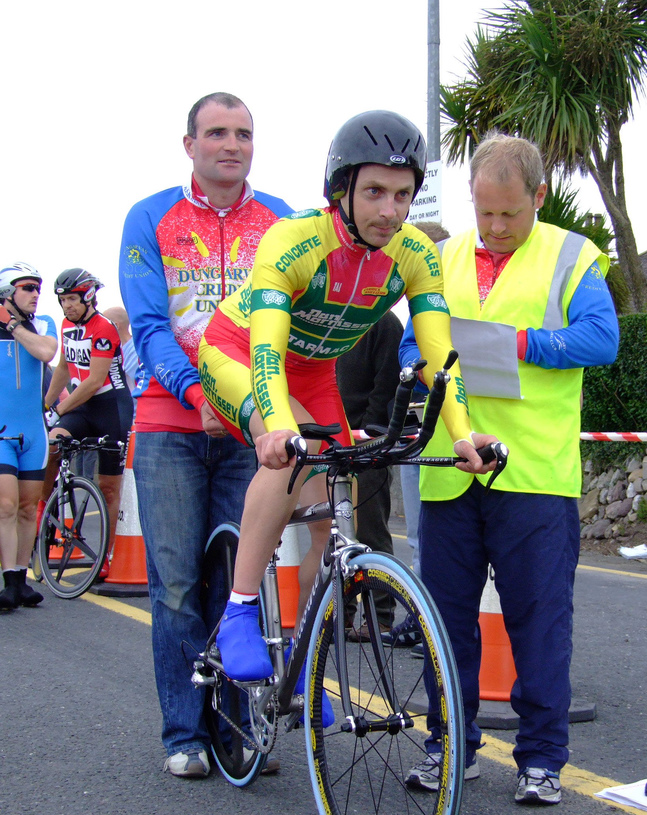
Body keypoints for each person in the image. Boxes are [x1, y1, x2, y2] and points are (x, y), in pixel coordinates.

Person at [196, 109, 498, 691]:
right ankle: (238, 611)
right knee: (291, 459)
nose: (391, 210)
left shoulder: (415, 255)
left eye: (404, 194)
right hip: (240, 353)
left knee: (336, 518)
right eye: (375, 192)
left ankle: (304, 664)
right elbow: (265, 350)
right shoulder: (293, 241)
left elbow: (440, 355)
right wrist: (277, 428)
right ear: (342, 190)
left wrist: (463, 434)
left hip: (312, 373)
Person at [402, 133, 620, 804]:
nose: (494, 229)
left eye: (509, 214)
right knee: (446, 621)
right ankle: (452, 747)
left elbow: (601, 338)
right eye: (483, 212)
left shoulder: (573, 255)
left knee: (539, 621)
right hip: (450, 465)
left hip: (534, 473)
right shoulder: (438, 258)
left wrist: (516, 344)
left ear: (539, 198)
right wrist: (419, 365)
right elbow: (414, 338)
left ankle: (542, 759)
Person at [119, 91, 292, 779]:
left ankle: (235, 728)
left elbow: (298, 328)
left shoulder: (281, 220)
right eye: (216, 132)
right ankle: (184, 732)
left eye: (244, 134)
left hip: (250, 426)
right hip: (172, 423)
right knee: (177, 586)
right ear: (188, 144)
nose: (231, 144)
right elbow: (151, 326)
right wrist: (201, 392)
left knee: (236, 581)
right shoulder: (150, 216)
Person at [41, 270, 133, 575]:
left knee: (108, 488)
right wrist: (45, 404)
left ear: (88, 296)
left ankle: (104, 557)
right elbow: (64, 368)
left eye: (71, 299)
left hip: (111, 407)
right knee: (53, 442)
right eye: (63, 300)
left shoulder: (104, 328)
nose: (67, 306)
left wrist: (60, 407)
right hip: (82, 406)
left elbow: (94, 381)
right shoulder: (67, 325)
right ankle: (43, 509)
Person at [336, 310, 403, 637]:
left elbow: (387, 385)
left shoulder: (385, 324)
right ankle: (342, 615)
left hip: (368, 443)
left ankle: (380, 619)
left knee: (371, 532)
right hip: (333, 439)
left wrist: (370, 434)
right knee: (337, 534)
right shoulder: (329, 319)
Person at [0, 263, 57, 610]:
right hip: (2, 432)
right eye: (27, 288)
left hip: (34, 433)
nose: (36, 294)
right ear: (8, 292)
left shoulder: (42, 323)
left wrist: (13, 325)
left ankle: (20, 580)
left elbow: (47, 352)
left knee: (26, 508)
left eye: (38, 288)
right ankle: (8, 580)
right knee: (5, 505)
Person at [398, 220, 450, 576]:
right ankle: (420, 621)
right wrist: (417, 370)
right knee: (419, 537)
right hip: (415, 431)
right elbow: (407, 351)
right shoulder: (416, 307)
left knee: (444, 539)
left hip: (455, 434)